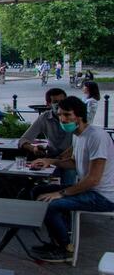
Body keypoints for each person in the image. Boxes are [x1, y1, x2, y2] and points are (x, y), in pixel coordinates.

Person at [29, 96, 114, 263]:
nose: (63, 119)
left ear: (80, 116)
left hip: (103, 196)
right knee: (37, 191)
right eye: (60, 115)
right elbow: (74, 162)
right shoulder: (77, 135)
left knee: (51, 204)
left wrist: (61, 193)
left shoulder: (96, 136)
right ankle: (57, 238)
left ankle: (65, 248)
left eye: (67, 115)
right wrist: (50, 161)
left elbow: (93, 179)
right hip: (88, 189)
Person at [18, 88, 73, 158]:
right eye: (55, 102)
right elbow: (23, 139)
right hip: (51, 157)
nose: (60, 105)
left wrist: (60, 159)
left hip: (71, 159)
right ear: (48, 104)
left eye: (62, 101)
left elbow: (81, 143)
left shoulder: (74, 116)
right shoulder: (44, 117)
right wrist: (34, 149)